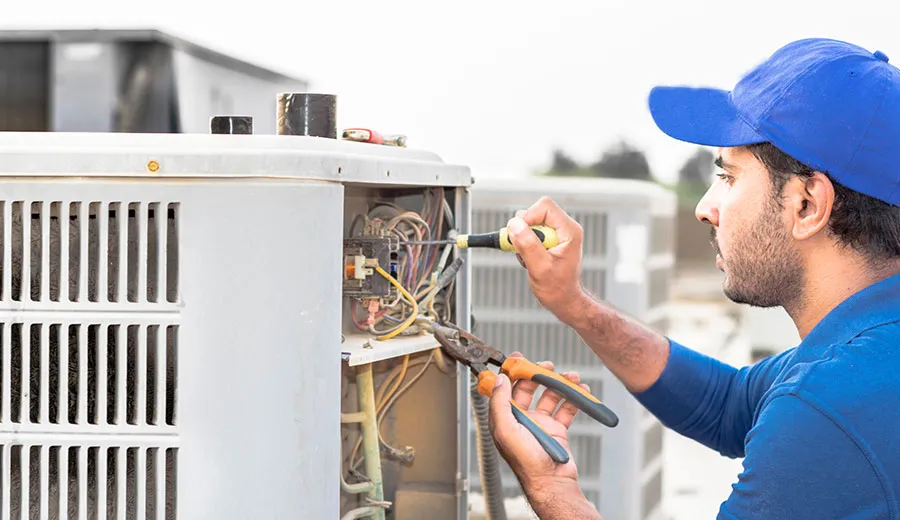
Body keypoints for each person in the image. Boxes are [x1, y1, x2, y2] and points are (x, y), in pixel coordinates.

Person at [488, 37, 900, 519]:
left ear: (807, 205)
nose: (705, 208)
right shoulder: (867, 354)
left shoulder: (829, 410)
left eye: (727, 177)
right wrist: (573, 303)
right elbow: (726, 405)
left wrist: (550, 487)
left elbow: (800, 411)